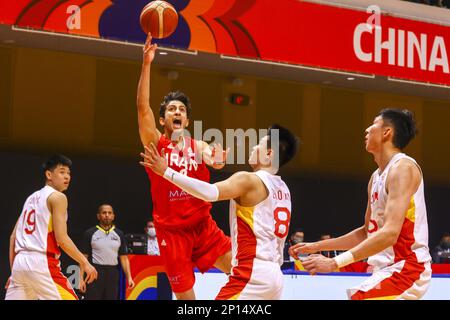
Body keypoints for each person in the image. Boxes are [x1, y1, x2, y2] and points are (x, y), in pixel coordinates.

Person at [141, 124, 299, 300]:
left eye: (258, 145)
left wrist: (166, 172)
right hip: (275, 277)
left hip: (251, 275)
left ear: (269, 154)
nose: (253, 148)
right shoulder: (283, 189)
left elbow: (209, 192)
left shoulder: (248, 180)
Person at [290, 108, 432, 300]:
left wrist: (334, 263)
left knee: (359, 297)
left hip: (407, 268)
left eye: (373, 124)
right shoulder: (375, 177)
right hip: (387, 270)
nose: (367, 130)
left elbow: (390, 234)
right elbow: (367, 232)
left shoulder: (403, 168)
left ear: (386, 132)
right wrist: (317, 246)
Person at [136, 33, 232, 300]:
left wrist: (218, 158)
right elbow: (142, 109)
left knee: (241, 272)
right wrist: (146, 63)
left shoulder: (197, 145)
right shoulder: (156, 144)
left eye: (181, 110)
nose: (177, 112)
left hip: (203, 226)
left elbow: (214, 158)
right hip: (172, 234)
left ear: (187, 121)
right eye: (171, 109)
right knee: (186, 301)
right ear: (163, 118)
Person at [5, 154, 98, 300]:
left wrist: (14, 272)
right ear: (49, 174)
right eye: (62, 172)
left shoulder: (30, 198)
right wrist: (85, 262)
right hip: (41, 262)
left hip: (19, 264)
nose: (67, 176)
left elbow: (13, 237)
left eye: (68, 173)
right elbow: (61, 239)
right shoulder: (58, 197)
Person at [79, 204, 135, 300]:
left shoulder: (119, 234)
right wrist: (80, 279)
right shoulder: (90, 233)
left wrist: (129, 277)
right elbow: (83, 257)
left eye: (109, 213)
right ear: (98, 216)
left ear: (113, 216)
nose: (107, 215)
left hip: (113, 273)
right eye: (104, 213)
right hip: (95, 272)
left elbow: (124, 258)